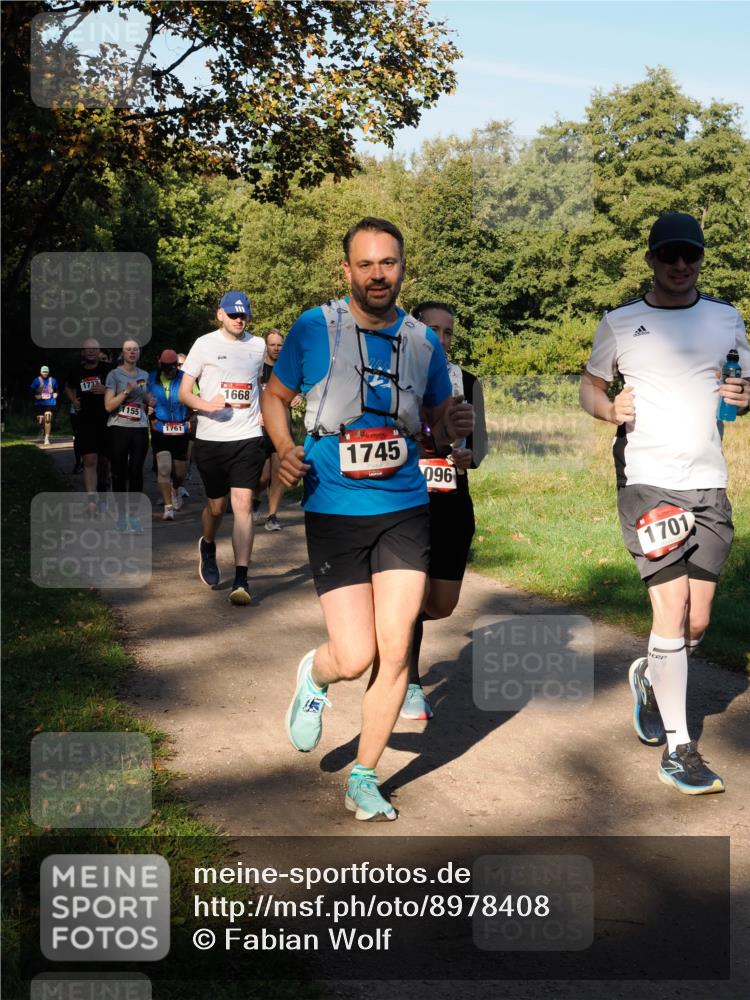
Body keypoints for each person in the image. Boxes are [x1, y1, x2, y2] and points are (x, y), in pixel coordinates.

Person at [262, 217, 474, 821]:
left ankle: (364, 774)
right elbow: (276, 398)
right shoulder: (314, 327)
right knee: (353, 656)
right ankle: (316, 674)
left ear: (403, 268)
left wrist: (447, 429)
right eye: (366, 264)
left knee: (397, 648)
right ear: (347, 270)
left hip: (405, 507)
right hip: (334, 507)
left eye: (390, 263)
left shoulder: (421, 341)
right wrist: (283, 448)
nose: (379, 274)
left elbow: (434, 417)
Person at [579, 212, 750, 795]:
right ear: (651, 259)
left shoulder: (727, 318)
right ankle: (680, 750)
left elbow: (741, 389)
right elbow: (590, 385)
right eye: (670, 255)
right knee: (670, 609)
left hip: (709, 482)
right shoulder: (621, 323)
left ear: (701, 259)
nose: (681, 265)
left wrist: (742, 396)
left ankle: (652, 677)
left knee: (696, 620)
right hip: (646, 481)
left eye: (691, 255)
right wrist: (609, 410)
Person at [400, 301, 489, 720]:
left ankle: (393, 629)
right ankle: (410, 682)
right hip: (407, 503)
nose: (440, 337)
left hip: (453, 503)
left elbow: (482, 445)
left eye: (448, 331)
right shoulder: (396, 379)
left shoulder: (467, 381)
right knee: (412, 593)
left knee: (442, 604)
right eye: (431, 328)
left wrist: (471, 457)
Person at [178, 291, 266, 606]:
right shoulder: (204, 345)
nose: (239, 319)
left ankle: (241, 579)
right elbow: (184, 393)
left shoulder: (258, 346)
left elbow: (260, 385)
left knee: (242, 504)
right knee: (217, 507)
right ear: (220, 315)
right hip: (212, 439)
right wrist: (206, 404)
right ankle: (208, 544)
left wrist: (264, 410)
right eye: (233, 315)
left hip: (247, 437)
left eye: (243, 315)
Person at [104, 340, 154, 533]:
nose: (132, 352)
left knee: (136, 472)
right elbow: (108, 406)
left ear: (139, 353)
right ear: (122, 353)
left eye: (135, 349)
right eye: (128, 350)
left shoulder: (144, 375)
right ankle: (121, 516)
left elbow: (144, 400)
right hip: (118, 427)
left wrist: (149, 401)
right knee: (119, 472)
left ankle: (134, 516)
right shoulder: (114, 375)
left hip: (139, 427)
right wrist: (126, 391)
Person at [254, 328, 302, 531]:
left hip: (282, 428)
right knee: (263, 476)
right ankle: (255, 499)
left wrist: (300, 395)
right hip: (260, 428)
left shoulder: (289, 368)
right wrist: (256, 412)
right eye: (272, 344)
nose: (276, 348)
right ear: (266, 346)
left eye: (279, 345)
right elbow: (249, 393)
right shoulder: (256, 368)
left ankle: (272, 515)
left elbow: (302, 387)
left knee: (278, 472)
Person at [65, 340, 112, 515]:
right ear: (83, 352)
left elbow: (122, 388)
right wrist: (74, 400)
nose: (91, 352)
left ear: (99, 352)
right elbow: (68, 387)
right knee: (89, 459)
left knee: (104, 461)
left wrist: (106, 389)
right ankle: (91, 501)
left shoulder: (109, 369)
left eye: (95, 349)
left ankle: (103, 490)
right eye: (88, 349)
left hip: (107, 420)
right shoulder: (76, 371)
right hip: (86, 420)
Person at [147, 349, 191, 521]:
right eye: (166, 367)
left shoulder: (186, 378)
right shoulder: (151, 378)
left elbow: (196, 396)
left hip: (181, 429)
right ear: (161, 365)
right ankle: (168, 507)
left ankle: (176, 488)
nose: (170, 371)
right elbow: (142, 397)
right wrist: (147, 406)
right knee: (164, 468)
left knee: (180, 473)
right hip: (160, 428)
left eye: (173, 367)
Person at [30, 364, 58, 445]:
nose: (45, 373)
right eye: (43, 371)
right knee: (41, 420)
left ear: (48, 372)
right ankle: (42, 428)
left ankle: (46, 438)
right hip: (39, 403)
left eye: (46, 371)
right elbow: (31, 390)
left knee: (48, 418)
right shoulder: (36, 380)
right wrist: (35, 395)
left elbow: (57, 390)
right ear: (40, 372)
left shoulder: (53, 380)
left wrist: (56, 394)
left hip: (50, 403)